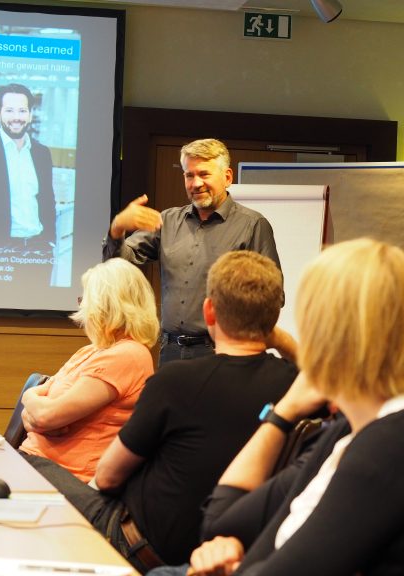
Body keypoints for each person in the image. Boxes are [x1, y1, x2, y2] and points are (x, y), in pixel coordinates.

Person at [151, 238, 404, 576]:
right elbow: (220, 525)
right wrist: (283, 413)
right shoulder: (351, 432)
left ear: (329, 337)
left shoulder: (397, 445)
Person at [25, 250, 297, 574]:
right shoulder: (295, 387)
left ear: (209, 311)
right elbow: (327, 376)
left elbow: (107, 477)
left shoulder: (176, 381)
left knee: (26, 466)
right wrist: (280, 339)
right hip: (229, 550)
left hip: (134, 543)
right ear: (273, 318)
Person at [102, 138, 281, 365]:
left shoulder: (252, 225)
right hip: (170, 351)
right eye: (189, 175)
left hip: (223, 353)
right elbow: (117, 266)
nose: (196, 183)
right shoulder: (167, 221)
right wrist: (117, 229)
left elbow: (273, 297)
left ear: (227, 177)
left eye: (204, 174)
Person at [18, 258, 158, 482]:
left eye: (85, 299)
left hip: (66, 475)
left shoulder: (127, 355)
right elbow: (33, 415)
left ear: (106, 305)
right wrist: (33, 405)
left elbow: (44, 415)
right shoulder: (91, 351)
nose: (82, 307)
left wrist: (32, 404)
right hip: (36, 461)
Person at [0, 83, 56, 256]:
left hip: (37, 249)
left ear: (30, 115)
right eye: (9, 110)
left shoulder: (41, 153)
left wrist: (50, 241)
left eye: (22, 111)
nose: (16, 117)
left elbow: (48, 201)